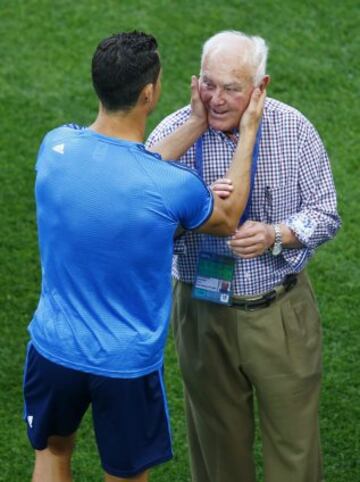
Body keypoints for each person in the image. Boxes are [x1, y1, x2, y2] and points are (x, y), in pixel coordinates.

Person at [23, 31, 264, 482]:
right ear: (149, 94)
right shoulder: (172, 187)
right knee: (127, 476)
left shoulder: (55, 146)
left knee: (52, 455)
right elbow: (228, 216)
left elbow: (126, 170)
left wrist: (192, 123)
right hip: (125, 365)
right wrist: (247, 130)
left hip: (52, 350)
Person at [146, 30, 341, 482]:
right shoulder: (173, 136)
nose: (216, 99)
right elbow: (142, 228)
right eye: (209, 84)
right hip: (202, 311)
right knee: (218, 453)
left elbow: (325, 214)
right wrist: (191, 212)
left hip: (280, 313)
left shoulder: (294, 129)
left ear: (260, 86)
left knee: (295, 452)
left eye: (232, 88)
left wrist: (279, 233)